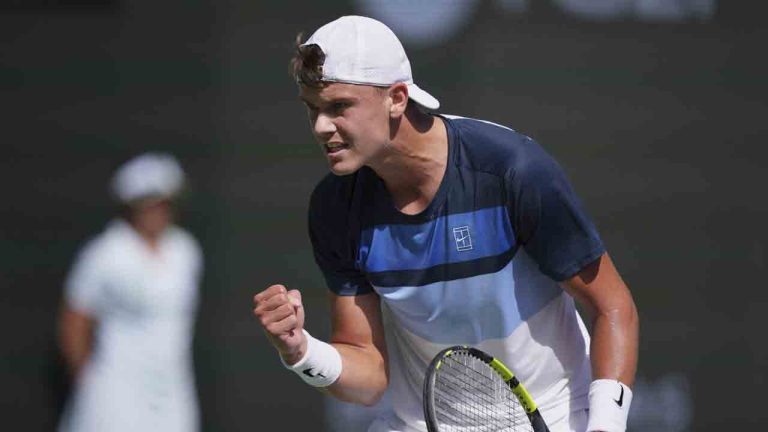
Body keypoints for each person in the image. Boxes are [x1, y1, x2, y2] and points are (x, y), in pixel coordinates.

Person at [252, 15, 638, 432]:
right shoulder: (334, 206)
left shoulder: (514, 171)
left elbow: (614, 309)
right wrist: (301, 351)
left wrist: (604, 427)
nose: (321, 127)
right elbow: (369, 380)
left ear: (397, 98)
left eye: (339, 107)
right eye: (313, 110)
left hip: (555, 415)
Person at [58, 153, 203, 432]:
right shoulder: (103, 254)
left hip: (174, 392)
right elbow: (74, 322)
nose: (158, 212)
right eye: (149, 204)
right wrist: (90, 383)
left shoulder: (186, 251)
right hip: (114, 391)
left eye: (164, 203)